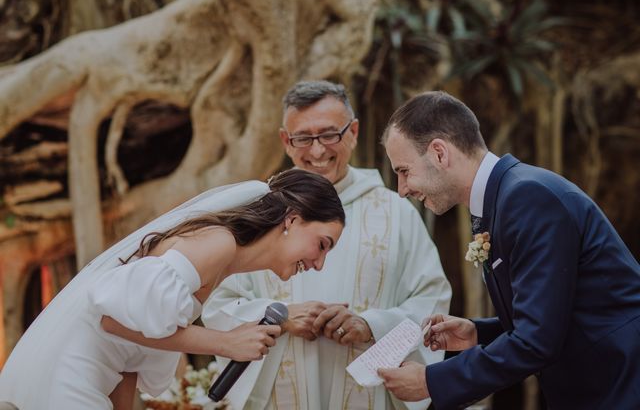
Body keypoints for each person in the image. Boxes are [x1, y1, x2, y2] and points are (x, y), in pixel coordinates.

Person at [378, 91, 640, 409]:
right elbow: (552, 313)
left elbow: (537, 340)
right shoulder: (504, 198)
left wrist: (431, 381)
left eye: (404, 171)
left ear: (439, 153)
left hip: (621, 382)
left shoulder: (527, 197)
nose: (402, 189)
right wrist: (479, 333)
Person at [0, 169, 345, 410]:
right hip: (72, 369)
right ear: (293, 219)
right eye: (322, 244)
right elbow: (112, 320)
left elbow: (133, 344)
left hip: (99, 377)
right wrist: (225, 342)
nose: (319, 263)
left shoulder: (226, 260)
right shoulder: (217, 243)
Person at [202, 81, 451, 410]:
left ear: (354, 131)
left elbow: (430, 303)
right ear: (285, 141)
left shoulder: (397, 213)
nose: (317, 151)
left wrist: (370, 325)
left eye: (329, 135)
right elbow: (217, 303)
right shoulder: (255, 211)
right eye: (303, 138)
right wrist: (278, 317)